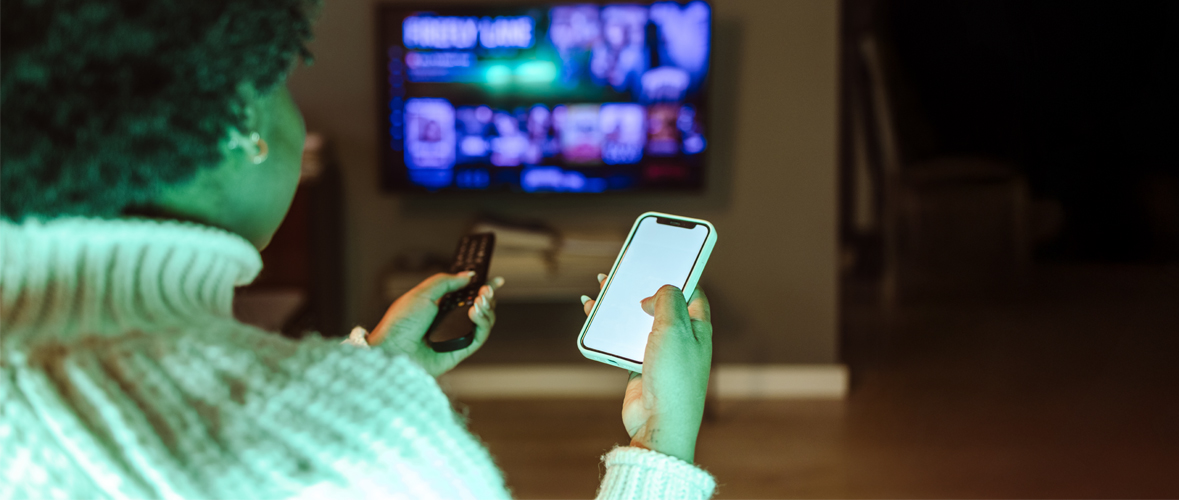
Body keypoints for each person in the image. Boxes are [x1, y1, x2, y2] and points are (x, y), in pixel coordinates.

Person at [0, 1, 717, 499]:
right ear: (241, 119)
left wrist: (378, 368)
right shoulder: (362, 450)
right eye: (285, 83)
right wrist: (661, 441)